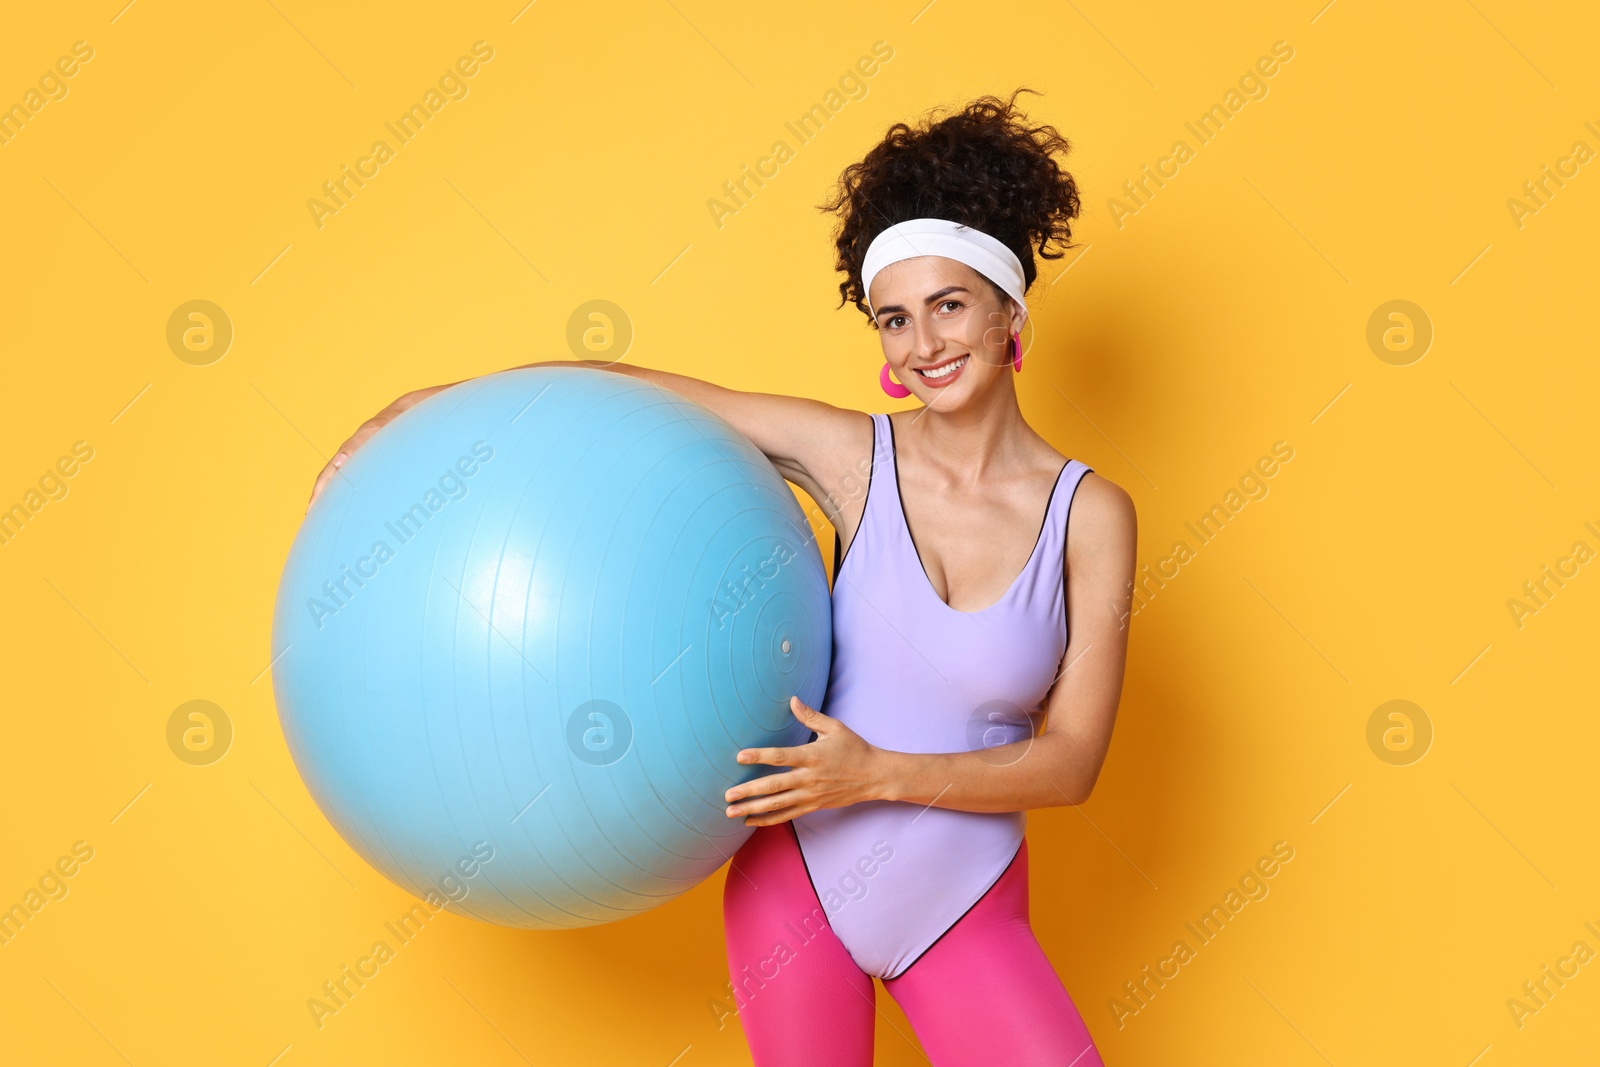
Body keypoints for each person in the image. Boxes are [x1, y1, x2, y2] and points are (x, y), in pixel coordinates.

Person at [306, 88, 1134, 1067]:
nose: (924, 346)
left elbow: (1071, 761)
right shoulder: (850, 457)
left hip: (964, 898)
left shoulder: (1090, 513)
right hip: (797, 889)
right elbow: (632, 391)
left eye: (949, 304)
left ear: (1007, 311)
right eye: (893, 319)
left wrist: (876, 772)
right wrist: (428, 407)